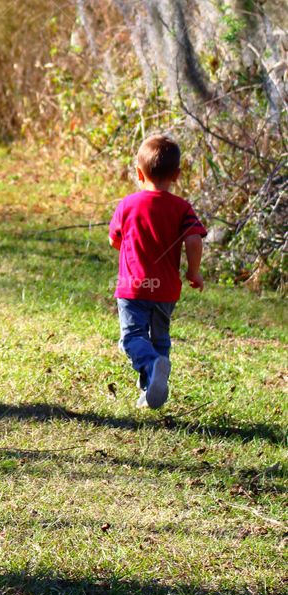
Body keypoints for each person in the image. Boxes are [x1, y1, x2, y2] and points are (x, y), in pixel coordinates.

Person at [110, 134, 206, 409]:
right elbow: (194, 239)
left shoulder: (127, 205)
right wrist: (193, 272)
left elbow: (114, 240)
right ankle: (149, 388)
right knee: (159, 339)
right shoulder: (182, 208)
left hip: (134, 287)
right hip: (165, 290)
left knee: (132, 338)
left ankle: (152, 368)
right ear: (176, 175)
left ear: (139, 173)